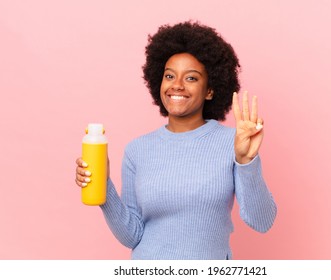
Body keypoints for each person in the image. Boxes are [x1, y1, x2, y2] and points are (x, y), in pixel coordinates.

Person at [75, 21, 277, 260]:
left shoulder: (233, 144)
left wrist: (247, 162)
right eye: (169, 76)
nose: (177, 85)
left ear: (210, 90)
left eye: (191, 78)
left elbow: (262, 221)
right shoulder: (138, 150)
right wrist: (103, 185)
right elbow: (132, 235)